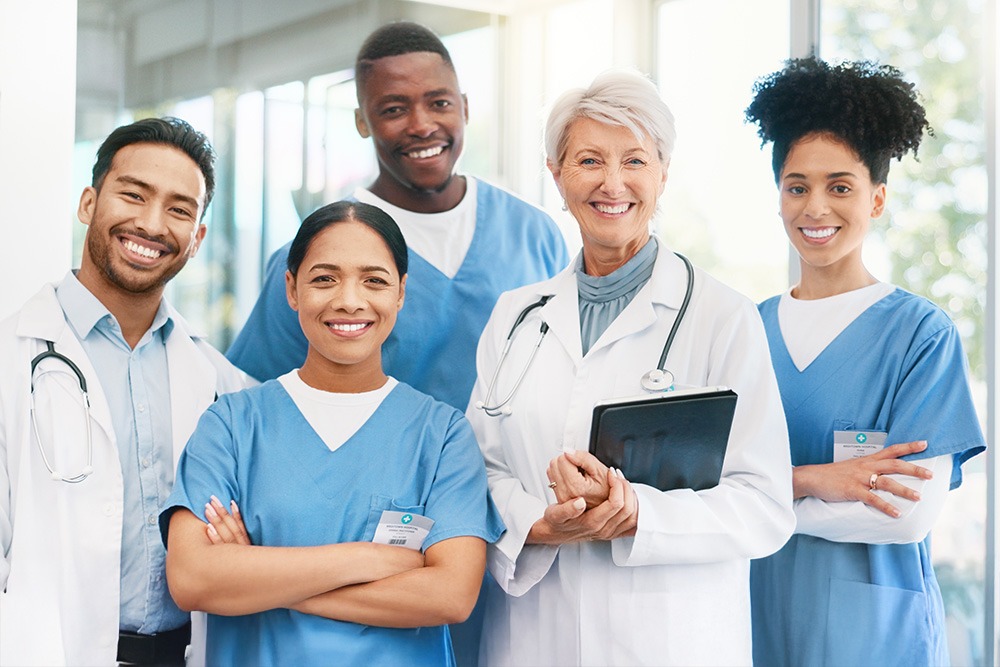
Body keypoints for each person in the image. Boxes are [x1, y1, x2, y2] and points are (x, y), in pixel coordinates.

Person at [465, 68, 795, 666]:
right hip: (535, 636)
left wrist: (639, 513)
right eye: (589, 160)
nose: (612, 183)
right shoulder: (515, 317)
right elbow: (479, 468)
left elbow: (764, 506)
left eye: (635, 161)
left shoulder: (723, 316)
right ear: (556, 174)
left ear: (663, 173)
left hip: (670, 641)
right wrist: (540, 523)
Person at [161, 201, 504, 665]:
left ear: (401, 293)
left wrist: (262, 579)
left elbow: (450, 595)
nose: (349, 300)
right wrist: (365, 559)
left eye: (374, 281)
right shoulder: (232, 425)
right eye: (325, 278)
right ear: (292, 289)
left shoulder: (442, 435)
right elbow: (192, 579)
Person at [744, 57, 986, 666]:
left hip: (874, 635)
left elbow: (905, 517)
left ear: (876, 199)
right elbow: (706, 483)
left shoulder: (919, 334)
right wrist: (814, 483)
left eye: (840, 187)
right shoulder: (746, 329)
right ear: (778, 198)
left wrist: (762, 503)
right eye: (797, 186)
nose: (815, 208)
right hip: (756, 616)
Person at [0, 117, 250, 665]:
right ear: (89, 203)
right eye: (133, 195)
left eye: (179, 210)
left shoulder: (220, 381)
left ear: (197, 238)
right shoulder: (9, 361)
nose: (151, 224)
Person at [226, 21, 569, 412]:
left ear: (465, 107)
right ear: (362, 122)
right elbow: (261, 404)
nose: (422, 126)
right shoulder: (313, 254)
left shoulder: (533, 232)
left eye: (439, 103)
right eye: (394, 110)